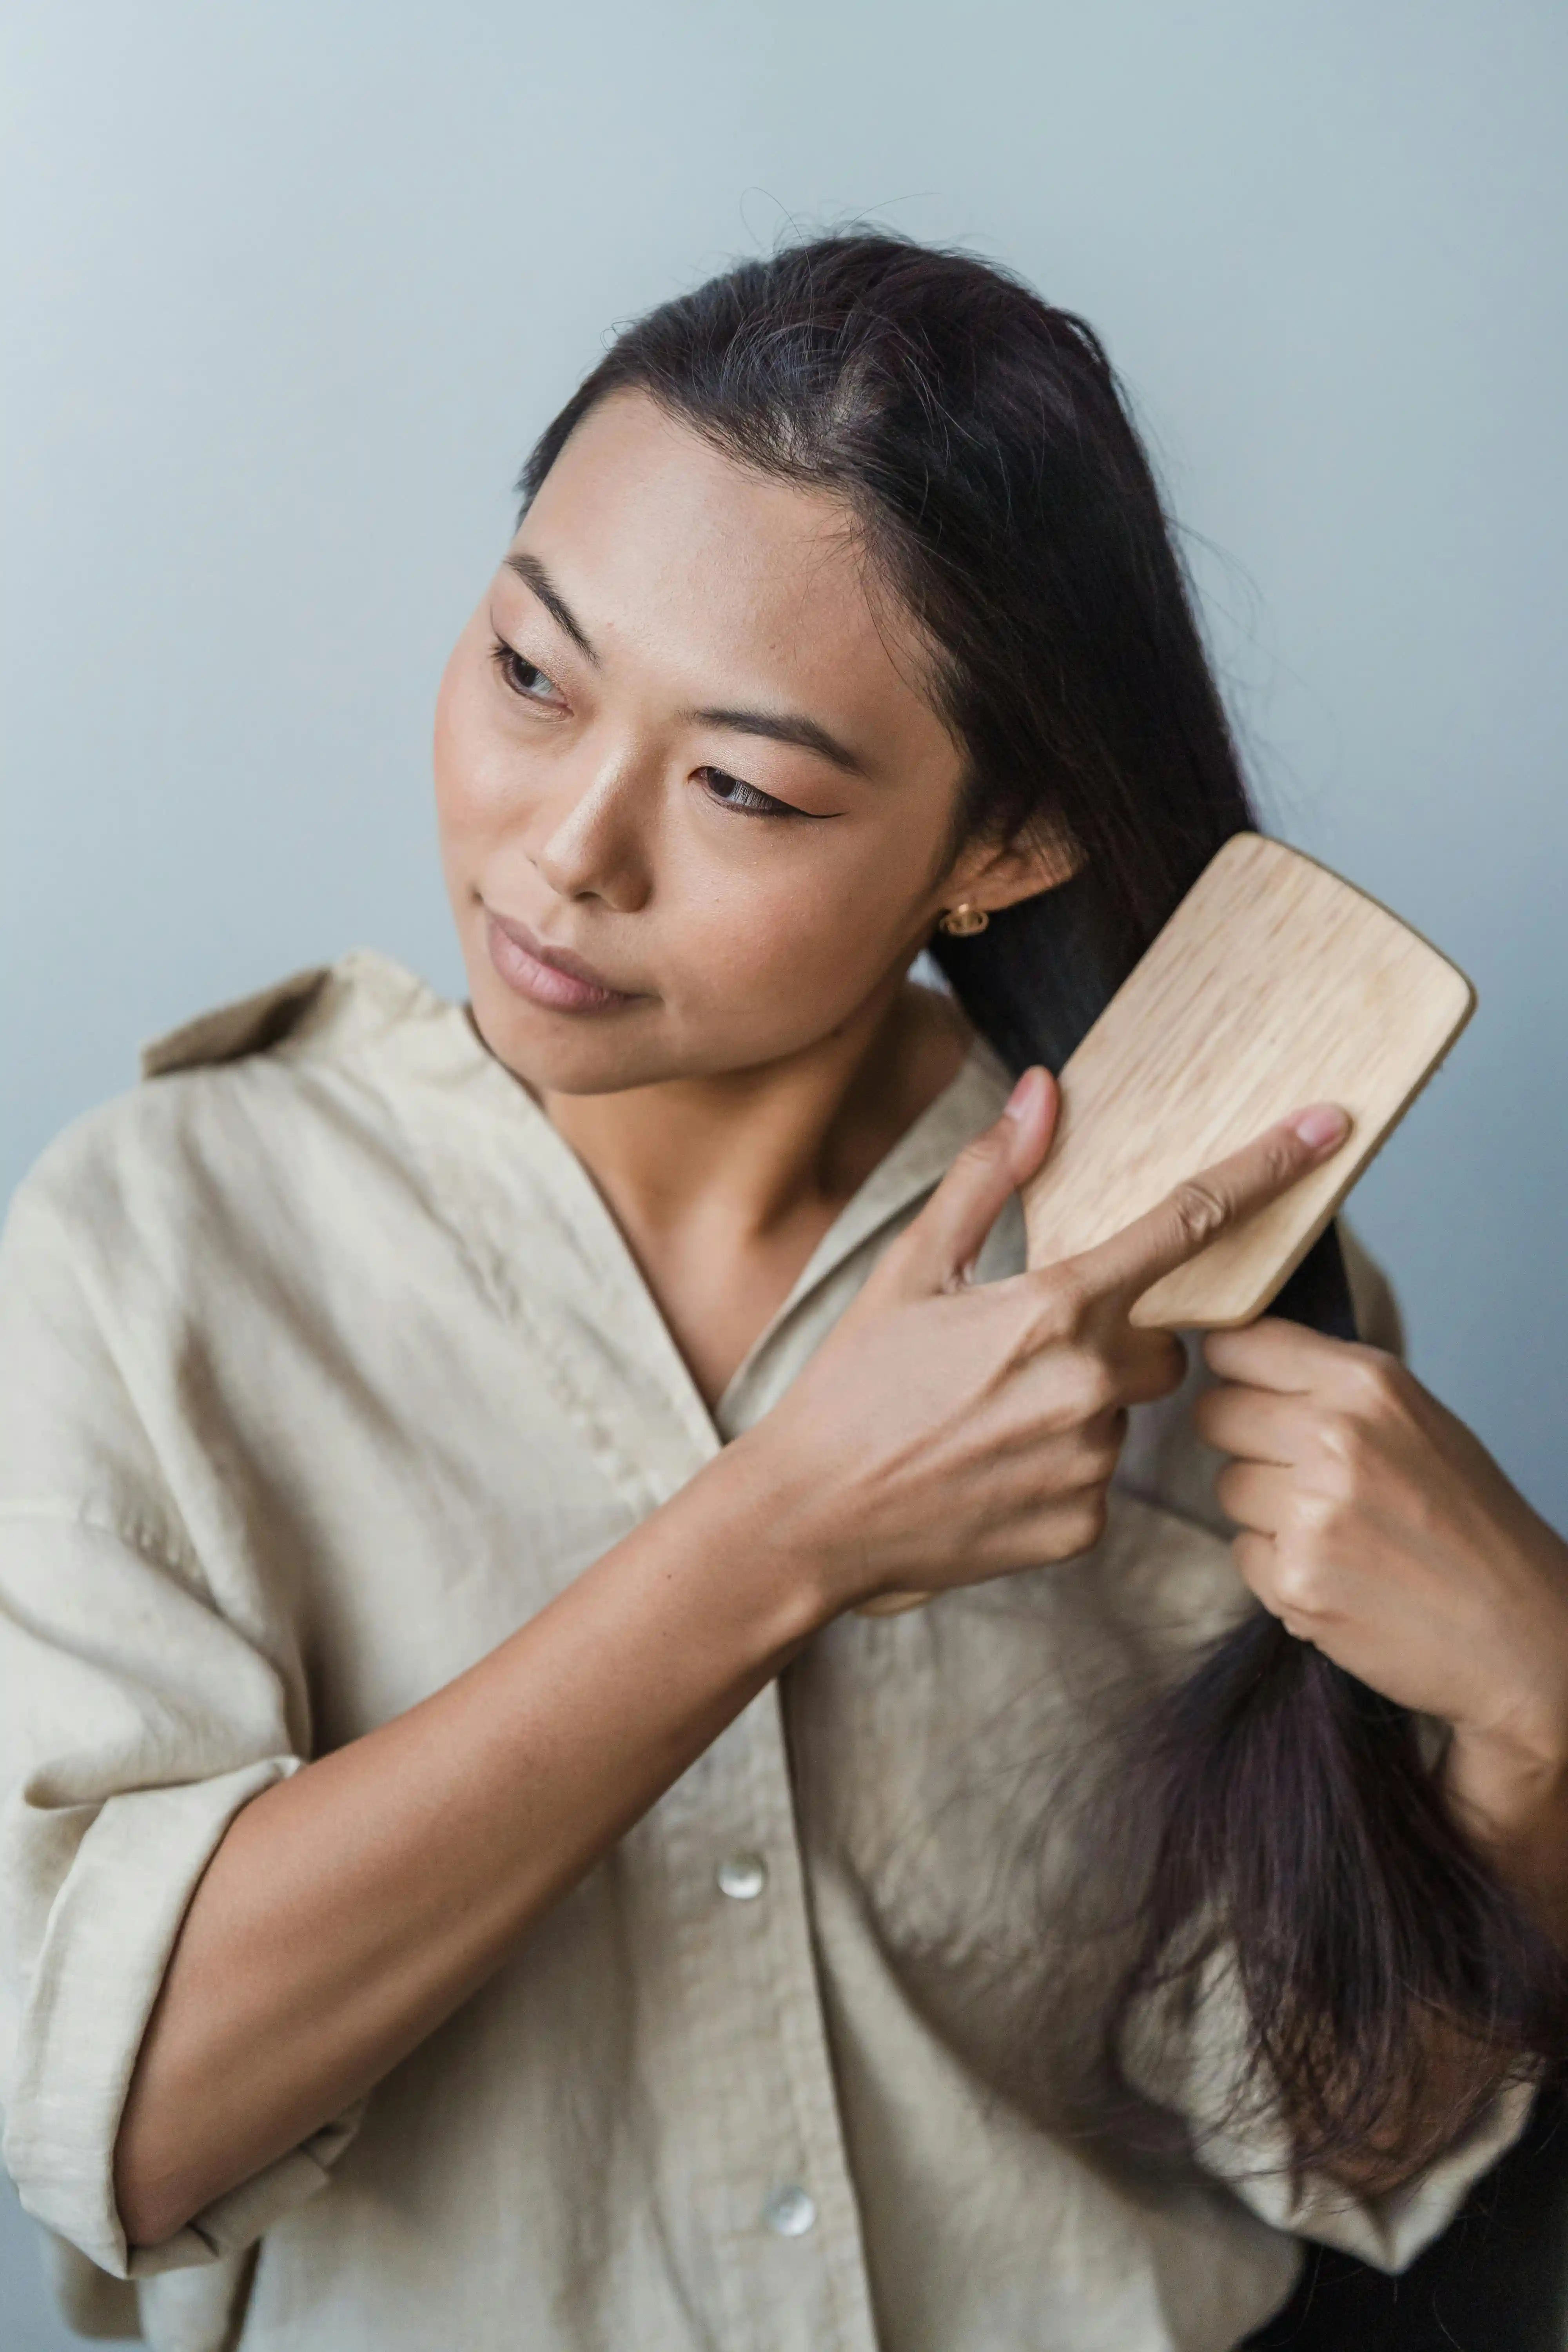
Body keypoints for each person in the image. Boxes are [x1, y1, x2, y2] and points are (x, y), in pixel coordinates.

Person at [2, 232, 1566, 2352]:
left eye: (740, 787)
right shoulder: (158, 1242)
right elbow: (124, 2130)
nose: (568, 849)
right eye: (531, 673)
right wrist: (785, 1532)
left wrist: (1537, 1734)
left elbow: (1327, 2143)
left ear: (1003, 846)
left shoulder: (1197, 1277)